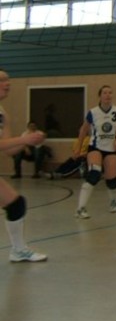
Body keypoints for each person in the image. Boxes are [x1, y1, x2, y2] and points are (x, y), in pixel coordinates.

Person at [0, 70, 48, 262]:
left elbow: (9, 150)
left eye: (8, 79)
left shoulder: (3, 113)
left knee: (16, 204)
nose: (8, 83)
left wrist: (27, 140)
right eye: (2, 80)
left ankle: (18, 250)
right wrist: (25, 138)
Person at [74, 85, 116, 219]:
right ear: (100, 96)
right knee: (94, 174)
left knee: (112, 180)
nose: (108, 95)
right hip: (95, 147)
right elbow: (83, 130)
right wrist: (78, 148)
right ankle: (80, 208)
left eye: (110, 92)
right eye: (104, 93)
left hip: (111, 149)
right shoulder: (93, 112)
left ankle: (113, 201)